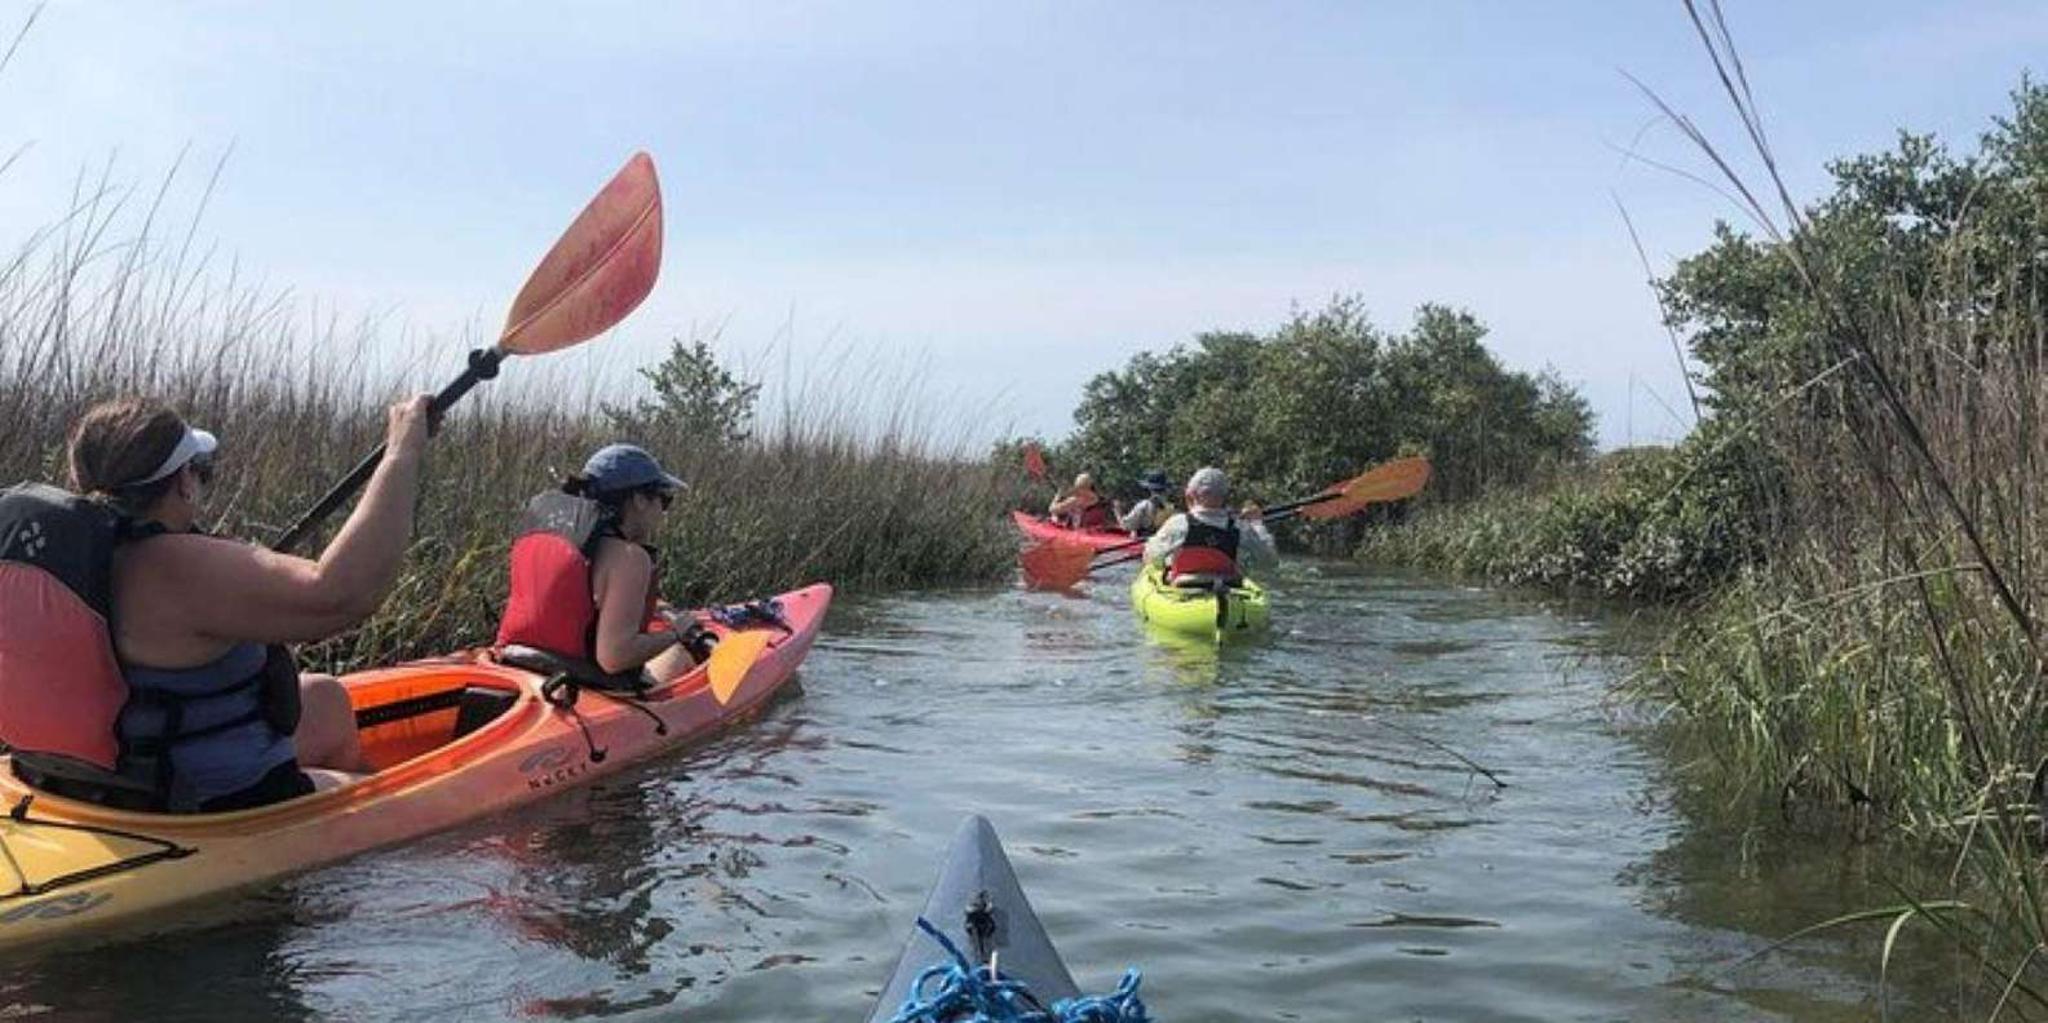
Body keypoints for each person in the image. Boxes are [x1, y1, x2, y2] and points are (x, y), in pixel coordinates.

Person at [0, 395, 432, 813]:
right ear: (184, 482)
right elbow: (343, 594)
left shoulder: (49, 561)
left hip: (71, 782)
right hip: (195, 802)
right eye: (200, 472)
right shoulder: (175, 567)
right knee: (394, 802)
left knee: (324, 698)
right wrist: (402, 452)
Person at [495, 444, 716, 684]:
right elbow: (614, 658)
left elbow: (574, 601)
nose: (663, 513)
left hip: (516, 663)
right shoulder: (630, 558)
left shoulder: (549, 539)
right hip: (584, 683)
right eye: (665, 500)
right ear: (640, 500)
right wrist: (675, 633)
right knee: (680, 652)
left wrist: (658, 608)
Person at [1143, 466, 1278, 585]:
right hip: (1228, 587)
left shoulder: (1179, 523)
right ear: (1224, 495)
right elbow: (1269, 562)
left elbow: (1150, 557)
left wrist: (1169, 561)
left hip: (1185, 587)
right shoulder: (1240, 527)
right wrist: (1257, 524)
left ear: (1192, 494)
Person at [1117, 470, 1176, 537]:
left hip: (1144, 542)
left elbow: (1126, 526)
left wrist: (1118, 512)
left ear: (1150, 489)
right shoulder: (1171, 507)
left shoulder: (1143, 505)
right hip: (1162, 541)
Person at [1047, 472, 1115, 531]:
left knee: (1054, 516)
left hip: (1082, 533)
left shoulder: (1075, 500)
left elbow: (1052, 509)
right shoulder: (1099, 498)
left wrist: (1058, 496)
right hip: (1099, 531)